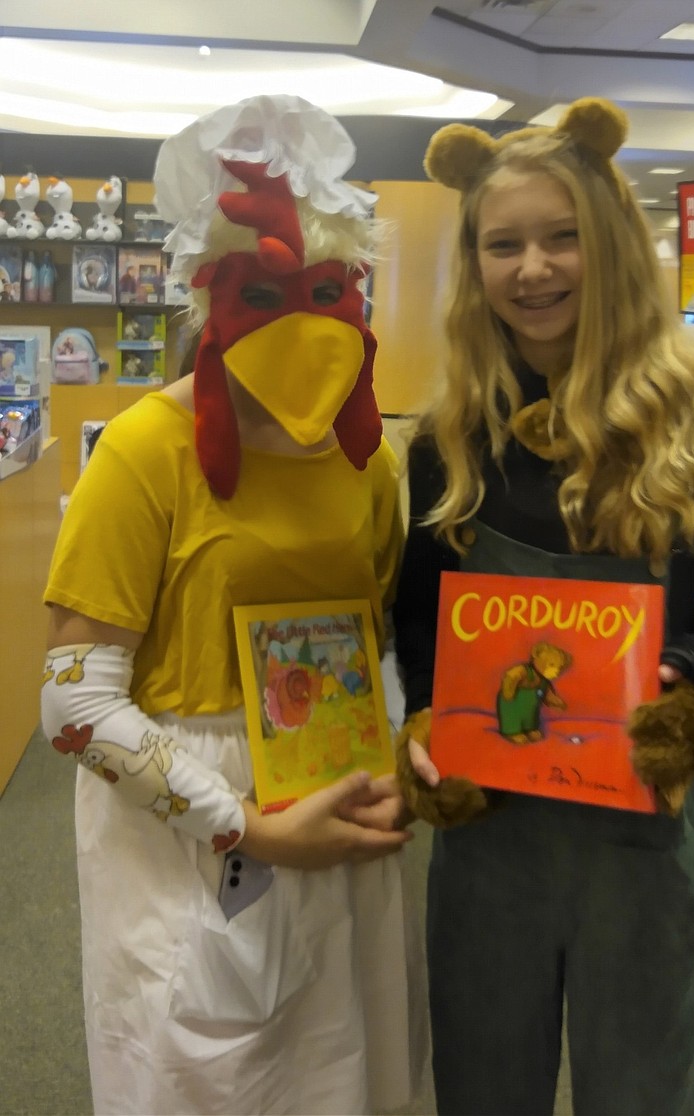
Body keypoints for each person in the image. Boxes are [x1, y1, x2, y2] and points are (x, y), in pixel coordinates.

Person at [391, 97, 694, 1116]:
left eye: (562, 237)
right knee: (484, 1087)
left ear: (610, 244)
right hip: (492, 835)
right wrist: (423, 721)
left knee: (641, 1090)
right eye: (503, 245)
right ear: (474, 264)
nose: (533, 269)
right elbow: (418, 612)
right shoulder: (452, 437)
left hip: (644, 837)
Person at [40, 94, 424, 1116]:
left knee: (347, 1073)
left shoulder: (369, 460)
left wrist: (397, 754)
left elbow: (380, 641)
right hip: (196, 830)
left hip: (340, 795)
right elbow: (75, 708)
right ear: (212, 296)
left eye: (327, 290)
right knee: (211, 1080)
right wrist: (245, 826)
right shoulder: (144, 452)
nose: (301, 319)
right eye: (264, 291)